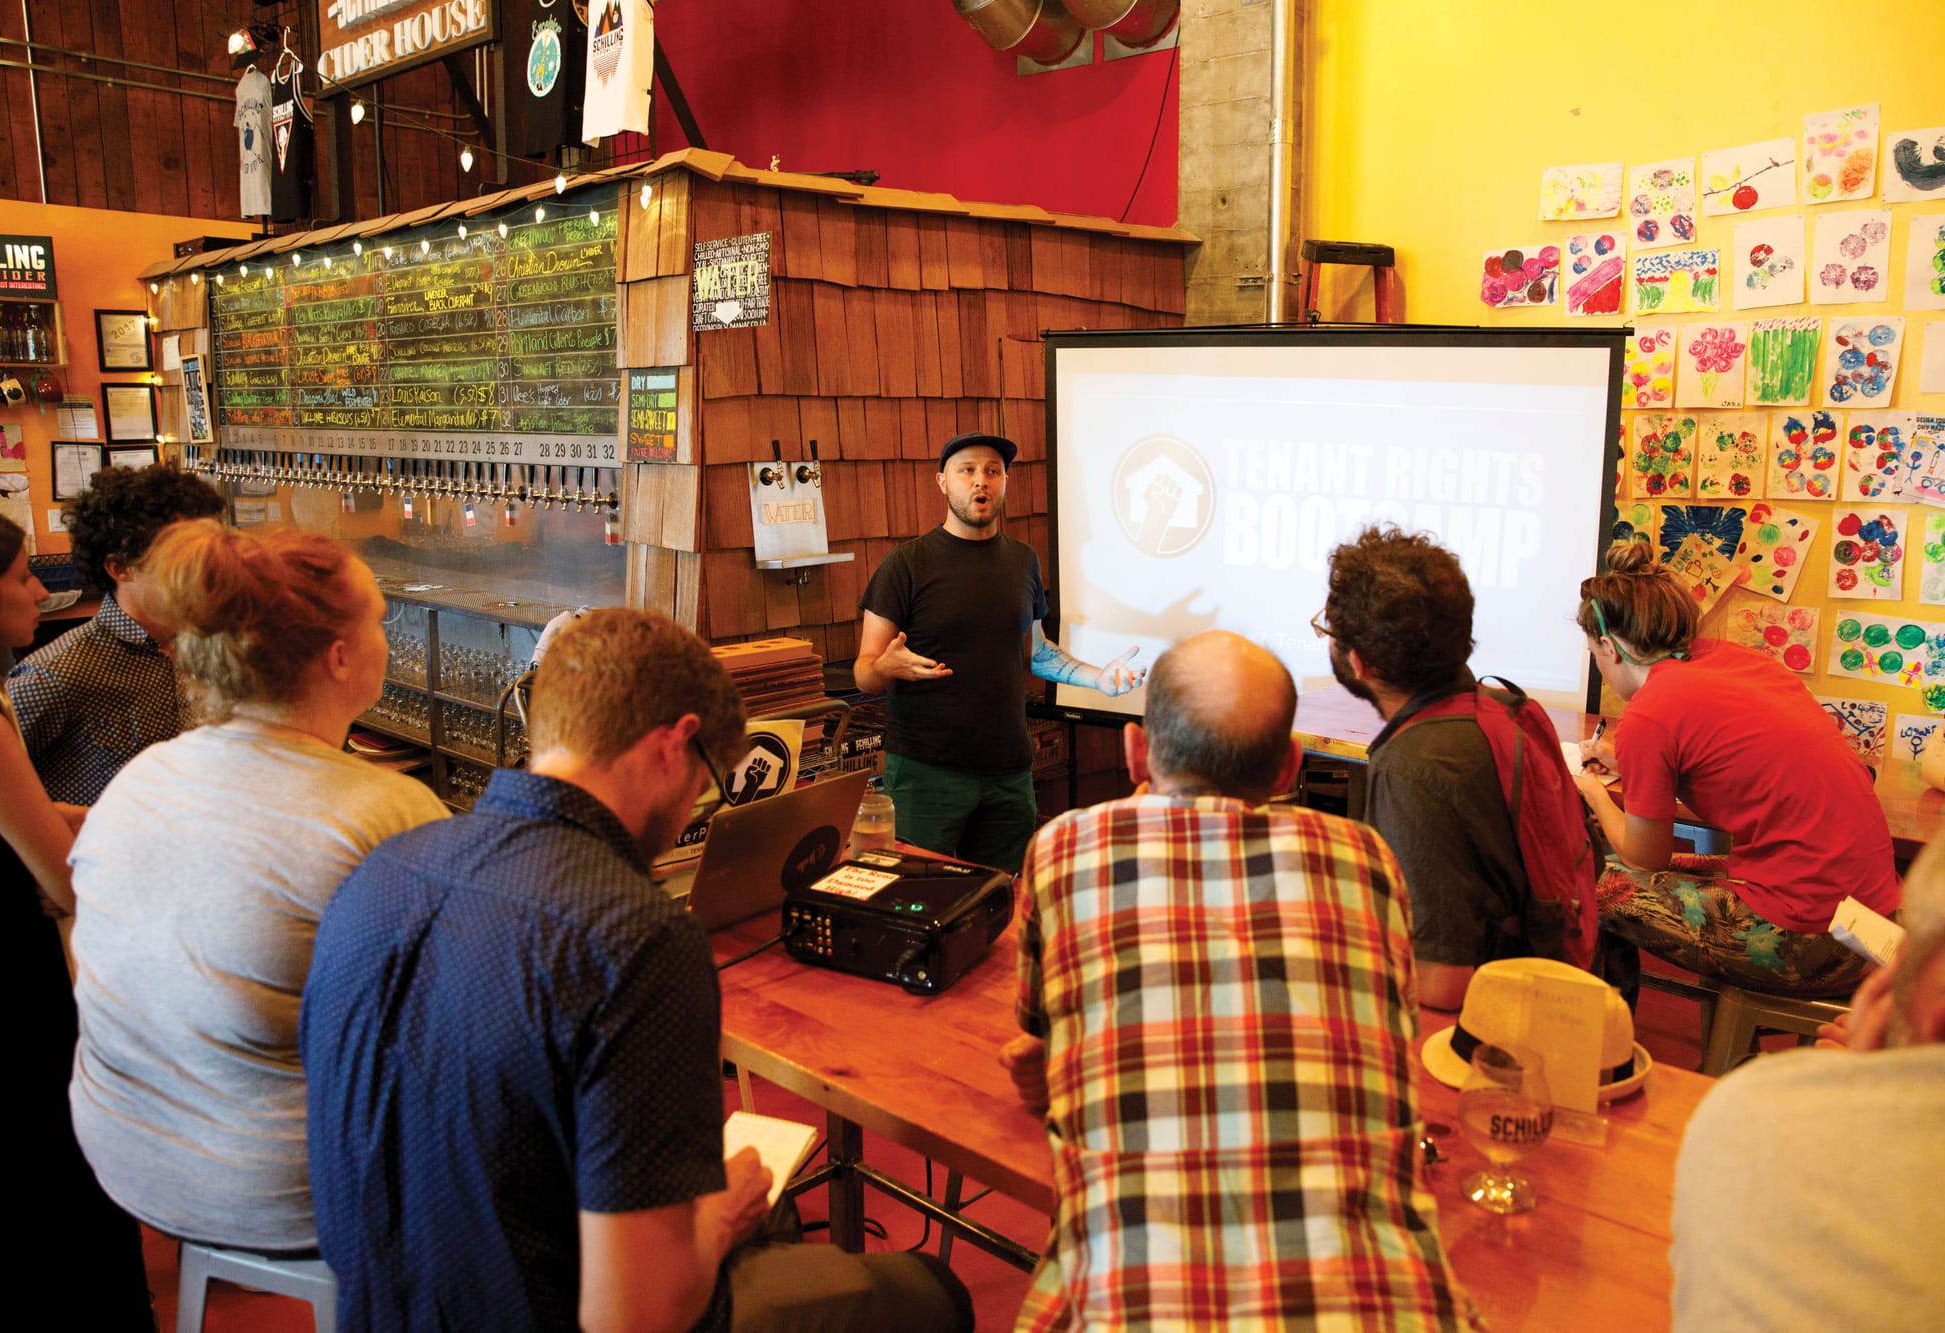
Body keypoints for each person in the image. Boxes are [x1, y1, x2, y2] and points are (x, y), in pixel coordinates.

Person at [303, 609, 972, 1332]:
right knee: (933, 1291)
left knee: (769, 1211)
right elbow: (636, 1314)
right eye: (707, 778)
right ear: (672, 745)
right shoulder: (634, 938)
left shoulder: (378, 873)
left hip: (385, 1307)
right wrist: (717, 1219)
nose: (697, 802)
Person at [1000, 630, 1474, 1330]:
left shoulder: (1063, 847)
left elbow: (1034, 1030)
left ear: (1135, 751)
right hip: (1385, 1306)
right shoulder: (1368, 859)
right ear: (1289, 767)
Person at [69, 519, 448, 1254]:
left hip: (123, 1150)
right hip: (280, 1191)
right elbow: (465, 1013)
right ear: (340, 657)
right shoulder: (386, 812)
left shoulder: (143, 774)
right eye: (380, 621)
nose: (388, 638)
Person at [1669, 807, 1945, 1331]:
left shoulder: (1755, 1115)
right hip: (1820, 918)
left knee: (1608, 883)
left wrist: (1856, 1092)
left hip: (1797, 932)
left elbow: (1644, 848)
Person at [1573, 538, 1900, 995]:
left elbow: (1646, 856)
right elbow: (1729, 762)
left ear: (1609, 646)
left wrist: (1590, 791)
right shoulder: (1733, 662)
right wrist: (1625, 759)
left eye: (1594, 655)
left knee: (1581, 882)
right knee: (1667, 867)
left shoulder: (1650, 711)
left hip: (1813, 937)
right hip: (1872, 914)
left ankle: (1602, 1039)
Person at [0, 509, 154, 1330]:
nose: (37, 590)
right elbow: (59, 872)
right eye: (19, 577)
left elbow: (35, 813)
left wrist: (137, 813)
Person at [1323, 525, 1596, 1009]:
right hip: (1552, 973)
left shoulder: (1414, 767)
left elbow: (1443, 987)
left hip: (1495, 1025)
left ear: (1360, 663)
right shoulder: (1502, 706)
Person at [855, 431, 1143, 871]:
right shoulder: (907, 564)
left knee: (1001, 900)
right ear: (942, 482)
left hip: (1009, 770)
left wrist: (1096, 677)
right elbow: (864, 672)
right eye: (966, 471)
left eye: (992, 471)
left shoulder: (1022, 560)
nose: (980, 482)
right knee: (919, 891)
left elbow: (1036, 653)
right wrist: (886, 667)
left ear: (1005, 482)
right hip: (926, 771)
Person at [7, 461, 225, 803]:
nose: (210, 568)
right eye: (186, 555)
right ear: (120, 567)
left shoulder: (218, 646)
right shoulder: (57, 674)